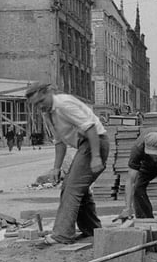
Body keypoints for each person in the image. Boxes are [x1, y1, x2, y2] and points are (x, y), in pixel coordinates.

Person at [26, 83, 110, 244]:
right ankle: (92, 229)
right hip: (85, 145)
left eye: (41, 101)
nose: (39, 106)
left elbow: (90, 127)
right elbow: (59, 143)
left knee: (72, 188)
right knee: (77, 187)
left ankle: (63, 234)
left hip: (95, 142)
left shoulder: (64, 104)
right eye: (35, 104)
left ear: (49, 93)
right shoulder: (48, 113)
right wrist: (56, 168)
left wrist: (96, 157)